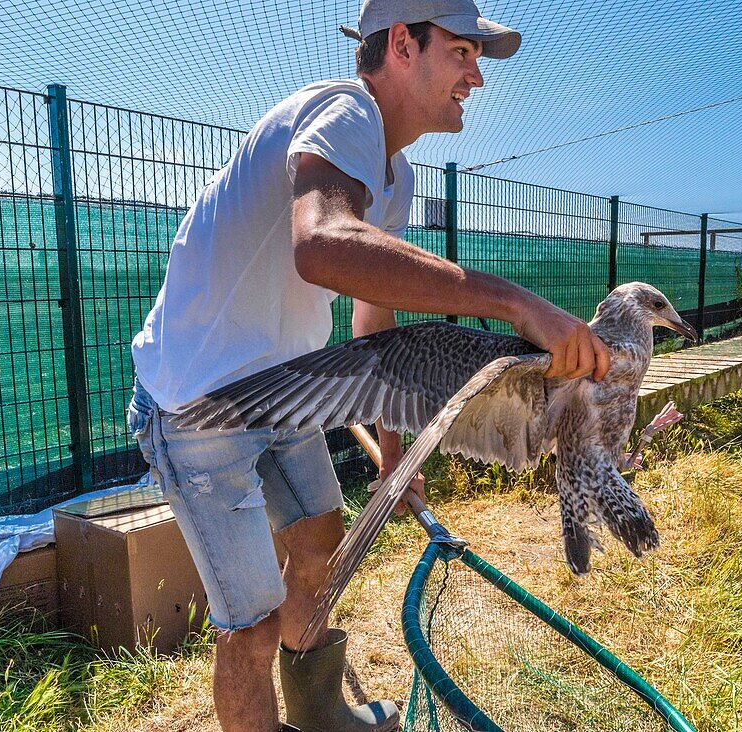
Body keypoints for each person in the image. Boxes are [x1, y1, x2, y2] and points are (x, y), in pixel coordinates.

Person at [127, 2, 611, 731]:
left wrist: (395, 446)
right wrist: (516, 304)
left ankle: (319, 713)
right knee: (249, 628)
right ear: (401, 45)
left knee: (321, 543)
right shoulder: (345, 110)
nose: (476, 75)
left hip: (282, 393)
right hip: (196, 407)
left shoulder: (396, 173)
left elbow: (371, 313)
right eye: (461, 51)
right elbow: (323, 244)